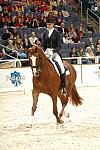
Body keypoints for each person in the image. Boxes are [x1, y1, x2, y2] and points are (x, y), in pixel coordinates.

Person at [42, 18, 67, 94]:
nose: (48, 25)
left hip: (54, 52)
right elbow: (44, 44)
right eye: (47, 24)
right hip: (47, 52)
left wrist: (53, 51)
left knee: (62, 68)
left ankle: (64, 86)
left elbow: (59, 46)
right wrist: (45, 51)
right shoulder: (45, 33)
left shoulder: (57, 33)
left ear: (53, 24)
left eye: (49, 24)